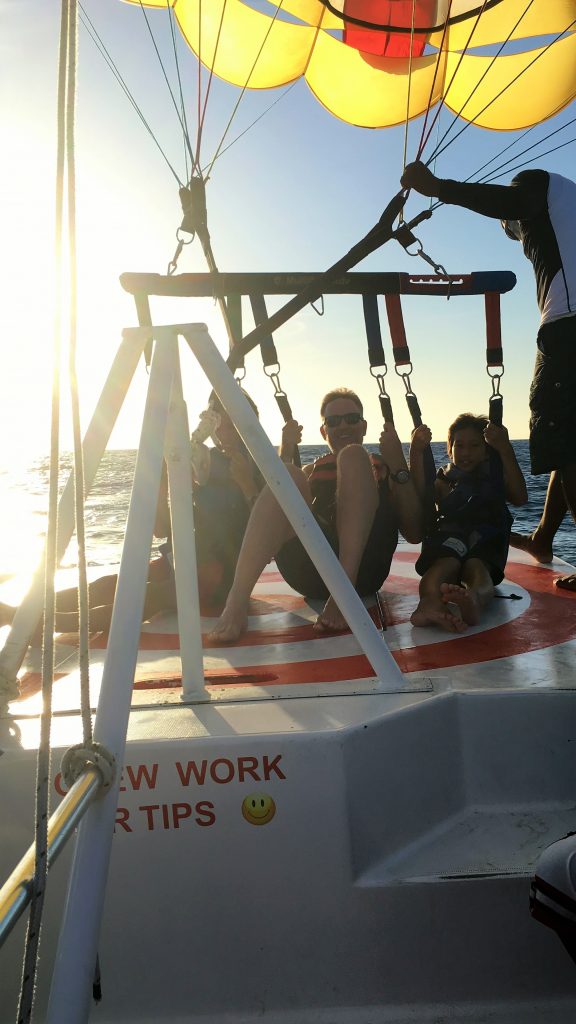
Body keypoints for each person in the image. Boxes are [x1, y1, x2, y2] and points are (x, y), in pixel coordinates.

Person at [400, 161, 576, 591]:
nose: (514, 231)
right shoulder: (566, 217)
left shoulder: (540, 186)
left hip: (568, 328)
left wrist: (439, 187)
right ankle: (543, 538)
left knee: (567, 445)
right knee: (566, 442)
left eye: (512, 227)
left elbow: (514, 201)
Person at [0, 391, 263, 637]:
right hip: (187, 559)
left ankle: (29, 623)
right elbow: (161, 529)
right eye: (218, 419)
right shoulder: (205, 461)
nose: (223, 429)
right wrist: (163, 470)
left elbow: (273, 537)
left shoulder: (262, 466)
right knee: (109, 585)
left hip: (220, 575)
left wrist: (248, 486)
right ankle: (26, 610)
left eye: (231, 420)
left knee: (146, 597)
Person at [207, 387, 423, 642]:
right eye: (333, 421)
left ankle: (343, 594)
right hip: (308, 572)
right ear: (324, 431)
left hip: (366, 570)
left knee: (354, 455)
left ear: (364, 426)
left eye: (352, 419)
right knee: (287, 473)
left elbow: (415, 532)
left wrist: (398, 463)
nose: (343, 426)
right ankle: (236, 603)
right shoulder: (311, 471)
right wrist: (286, 449)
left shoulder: (382, 465)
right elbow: (272, 518)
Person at [409, 414, 527, 632]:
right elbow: (419, 493)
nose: (466, 452)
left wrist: (504, 448)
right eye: (459, 445)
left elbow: (520, 497)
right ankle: (428, 603)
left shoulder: (495, 478)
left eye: (474, 445)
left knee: (478, 569)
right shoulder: (443, 481)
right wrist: (416, 451)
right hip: (449, 543)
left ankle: (473, 600)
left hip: (485, 543)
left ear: (486, 450)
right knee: (442, 565)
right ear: (449, 448)